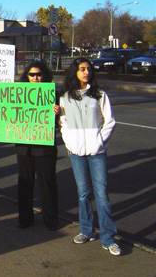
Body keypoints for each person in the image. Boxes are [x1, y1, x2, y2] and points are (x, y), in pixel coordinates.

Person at [59, 58, 120, 256]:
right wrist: (70, 143)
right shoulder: (66, 97)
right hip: (76, 152)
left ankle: (108, 237)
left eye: (88, 69)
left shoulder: (100, 95)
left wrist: (99, 141)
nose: (86, 72)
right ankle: (86, 230)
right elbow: (63, 123)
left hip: (97, 153)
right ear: (75, 73)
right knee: (83, 193)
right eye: (82, 69)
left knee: (101, 195)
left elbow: (109, 121)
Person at [6, 61, 60, 230]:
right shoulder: (18, 94)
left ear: (44, 76)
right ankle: (25, 219)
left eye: (39, 74)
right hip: (24, 147)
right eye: (32, 74)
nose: (35, 78)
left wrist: (57, 113)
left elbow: (62, 122)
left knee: (47, 184)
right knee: (25, 184)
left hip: (45, 147)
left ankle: (51, 220)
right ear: (26, 76)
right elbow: (5, 111)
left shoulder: (53, 95)